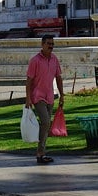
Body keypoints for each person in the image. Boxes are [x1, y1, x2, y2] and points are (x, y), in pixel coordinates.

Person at [25, 34, 64, 165]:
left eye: (52, 44)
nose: (51, 46)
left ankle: (41, 153)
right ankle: (40, 152)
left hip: (50, 96)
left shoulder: (54, 59)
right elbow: (29, 80)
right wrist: (28, 99)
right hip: (38, 96)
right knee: (46, 122)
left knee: (46, 125)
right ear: (42, 44)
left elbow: (58, 77)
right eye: (48, 43)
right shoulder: (35, 60)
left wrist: (62, 95)